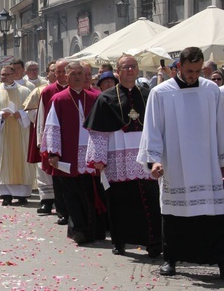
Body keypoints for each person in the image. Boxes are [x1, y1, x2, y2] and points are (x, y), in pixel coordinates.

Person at [137, 46, 224, 278]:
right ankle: (171, 259)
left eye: (197, 70)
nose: (193, 75)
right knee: (174, 214)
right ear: (178, 67)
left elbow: (220, 126)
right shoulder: (161, 92)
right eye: (189, 70)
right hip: (174, 162)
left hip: (207, 165)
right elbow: (152, 128)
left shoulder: (212, 90)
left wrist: (222, 160)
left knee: (213, 214)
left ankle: (219, 259)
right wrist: (154, 160)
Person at [85, 55, 162, 257]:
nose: (130, 70)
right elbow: (98, 133)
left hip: (145, 157)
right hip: (117, 158)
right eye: (125, 67)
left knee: (150, 200)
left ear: (137, 71)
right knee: (120, 202)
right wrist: (98, 160)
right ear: (117, 71)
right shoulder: (105, 98)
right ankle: (119, 241)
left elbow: (159, 127)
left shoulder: (149, 95)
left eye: (133, 67)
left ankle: (153, 242)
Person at [42, 61, 104, 244]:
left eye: (80, 74)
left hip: (89, 155)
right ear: (66, 77)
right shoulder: (59, 99)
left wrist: (101, 155)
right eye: (73, 74)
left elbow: (101, 129)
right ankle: (77, 230)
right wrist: (53, 153)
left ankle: (92, 230)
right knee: (72, 196)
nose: (77, 77)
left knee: (90, 194)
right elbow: (52, 127)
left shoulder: (93, 98)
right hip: (68, 155)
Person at [0, 65, 34, 205]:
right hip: (3, 134)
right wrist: (0, 115)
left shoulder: (25, 91)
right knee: (3, 160)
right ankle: (6, 195)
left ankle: (22, 195)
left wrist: (22, 114)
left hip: (21, 133)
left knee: (22, 159)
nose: (3, 77)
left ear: (14, 74)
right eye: (2, 75)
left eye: (6, 74)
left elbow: (33, 111)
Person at [26, 60, 68, 218]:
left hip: (69, 137)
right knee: (45, 171)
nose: (62, 75)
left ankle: (64, 204)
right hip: (49, 138)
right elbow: (38, 116)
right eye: (57, 71)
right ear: (51, 73)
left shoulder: (77, 89)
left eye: (65, 71)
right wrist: (41, 139)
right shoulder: (44, 91)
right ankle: (47, 200)